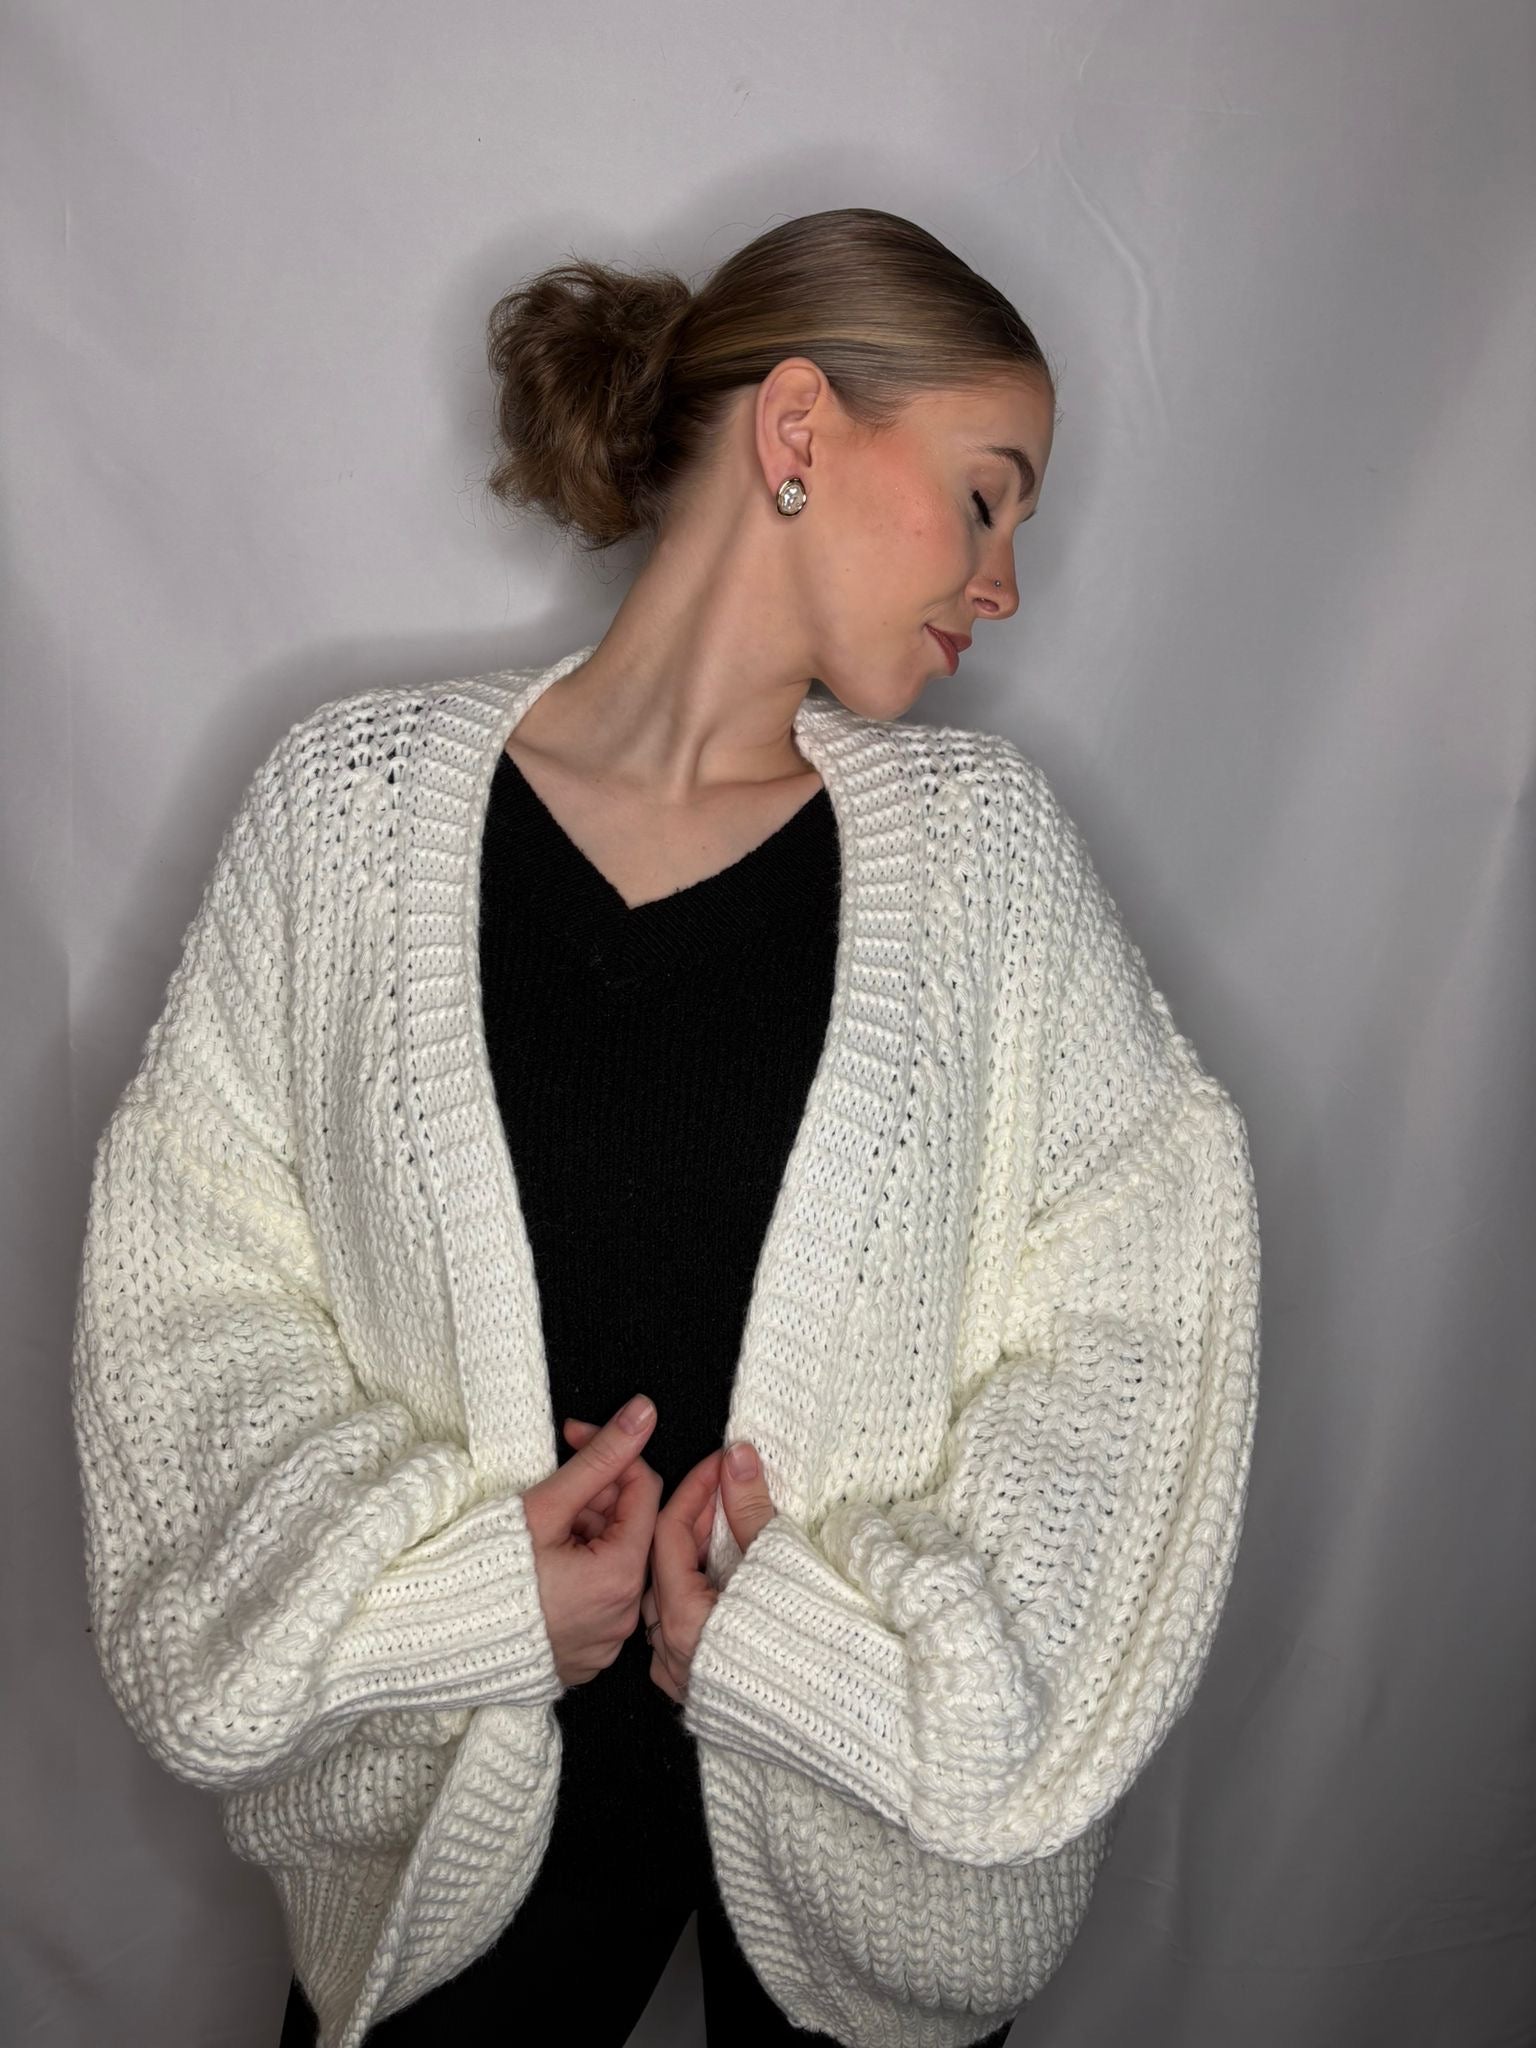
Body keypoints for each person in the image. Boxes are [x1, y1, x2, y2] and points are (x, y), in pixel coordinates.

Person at [71, 207, 1261, 2048]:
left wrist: (813, 1658)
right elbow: (194, 1291)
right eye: (986, 497)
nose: (1006, 583)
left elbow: (1139, 1316)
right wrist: (469, 1603)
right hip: (447, 1799)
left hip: (870, 1829)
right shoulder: (346, 813)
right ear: (799, 428)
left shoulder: (986, 862)